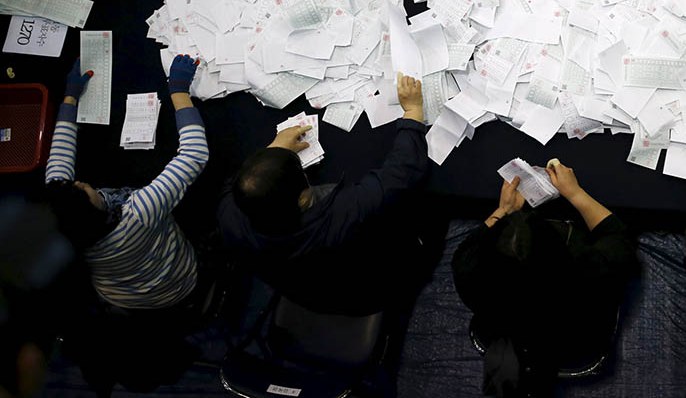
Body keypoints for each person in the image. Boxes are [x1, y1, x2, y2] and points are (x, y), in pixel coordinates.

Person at [218, 73, 430, 316]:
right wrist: (413, 111)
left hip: (307, 294)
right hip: (368, 291)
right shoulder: (342, 215)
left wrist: (275, 152)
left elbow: (239, 183)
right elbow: (403, 173)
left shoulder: (230, 217)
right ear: (301, 198)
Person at [452, 159, 636, 397]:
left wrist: (503, 210)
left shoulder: (470, 270)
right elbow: (617, 235)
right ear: (561, 247)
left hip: (501, 336)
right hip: (574, 347)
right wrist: (575, 193)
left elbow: (472, 244)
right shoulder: (590, 276)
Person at [44, 55, 208, 309]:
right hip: (179, 283)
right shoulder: (140, 213)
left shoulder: (61, 226)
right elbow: (194, 154)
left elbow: (59, 162)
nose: (80, 183)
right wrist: (178, 90)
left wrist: (70, 97)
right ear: (96, 210)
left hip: (123, 300)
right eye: (83, 190)